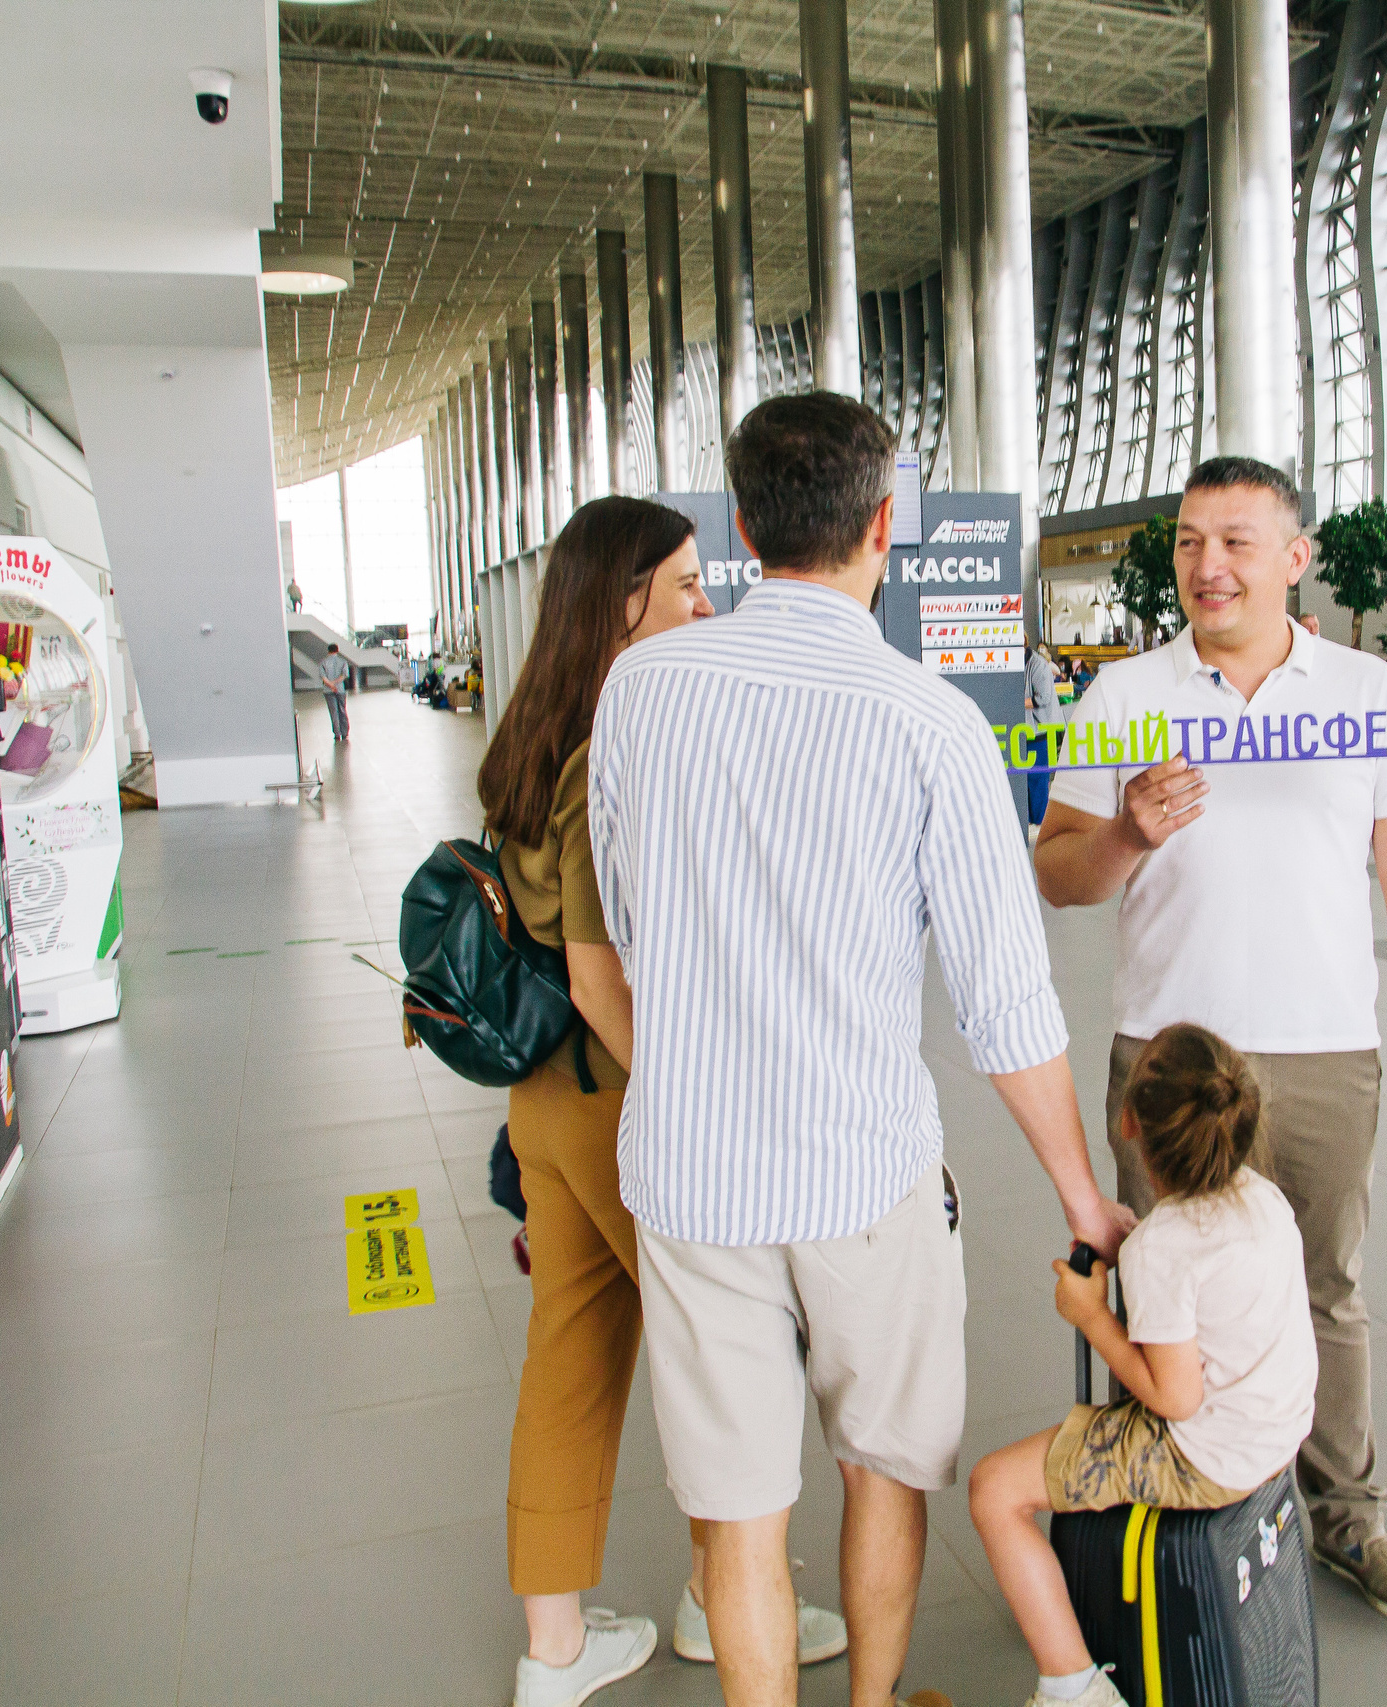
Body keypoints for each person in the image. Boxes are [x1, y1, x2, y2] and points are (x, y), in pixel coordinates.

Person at [588, 392, 1132, 1707]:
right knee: (882, 1467)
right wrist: (1081, 1196)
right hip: (866, 1174)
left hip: (692, 1168)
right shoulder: (931, 719)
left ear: (740, 525)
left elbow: (623, 909)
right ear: (884, 523)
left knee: (736, 1515)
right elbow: (1006, 1000)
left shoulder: (641, 687)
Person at [1036, 455, 1387, 1630]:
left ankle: (1345, 1517)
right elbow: (1058, 874)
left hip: (1323, 1053)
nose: (1206, 566)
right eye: (1187, 542)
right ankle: (1169, 1521)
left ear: (1293, 558)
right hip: (1168, 1061)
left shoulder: (1364, 688)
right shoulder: (1123, 694)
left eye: (1233, 542)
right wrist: (1124, 832)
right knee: (1155, 1289)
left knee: (1326, 1289)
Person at [479, 498, 843, 1707]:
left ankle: (555, 1651)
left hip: (543, 1106)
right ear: (621, 597)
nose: (707, 604)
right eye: (684, 585)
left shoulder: (528, 734)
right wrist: (698, 1095)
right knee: (724, 1362)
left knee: (568, 1363)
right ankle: (720, 1603)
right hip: (625, 1105)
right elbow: (598, 974)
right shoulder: (604, 747)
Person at [967, 1024, 1318, 1707]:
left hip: (1205, 1455)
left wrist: (1089, 1312)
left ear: (1129, 1124)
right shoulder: (1263, 1200)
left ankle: (1073, 1687)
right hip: (1275, 1435)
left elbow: (1175, 1397)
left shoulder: (1163, 1248)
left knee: (994, 1491)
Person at [1025, 644, 1065, 830]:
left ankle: (1040, 823)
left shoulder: (1037, 665)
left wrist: (1014, 702)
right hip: (1026, 728)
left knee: (1038, 778)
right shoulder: (1024, 663)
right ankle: (1034, 821)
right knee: (1030, 778)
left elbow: (1044, 697)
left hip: (1041, 728)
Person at [318, 641, 354, 742]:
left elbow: (323, 677)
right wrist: (335, 683)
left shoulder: (323, 662)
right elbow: (344, 675)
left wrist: (330, 685)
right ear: (337, 651)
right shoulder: (343, 662)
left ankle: (337, 733)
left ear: (328, 651)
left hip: (328, 690)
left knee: (333, 711)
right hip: (340, 689)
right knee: (342, 709)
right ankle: (345, 732)